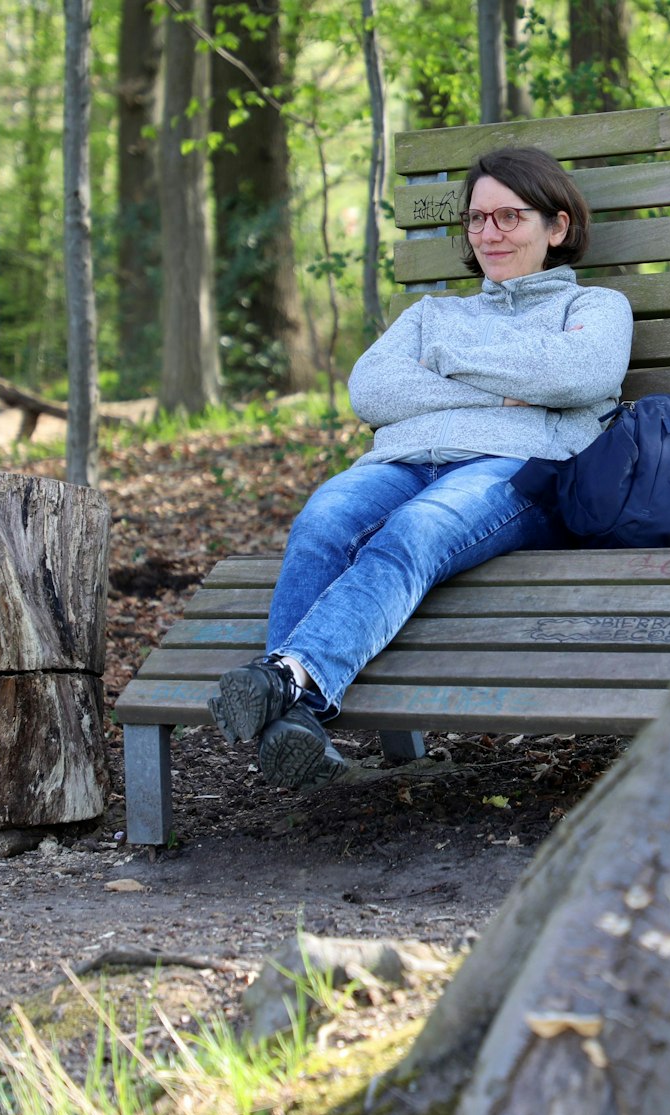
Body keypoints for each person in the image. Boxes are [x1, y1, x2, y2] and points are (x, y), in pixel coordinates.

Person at [208, 146, 633, 790]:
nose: (489, 233)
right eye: (477, 219)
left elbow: (579, 373)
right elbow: (372, 392)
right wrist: (511, 383)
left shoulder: (595, 309)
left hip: (515, 471)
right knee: (323, 518)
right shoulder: (432, 315)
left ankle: (286, 681)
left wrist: (445, 362)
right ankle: (292, 720)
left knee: (416, 531)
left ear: (558, 226)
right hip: (402, 460)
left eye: (510, 216)